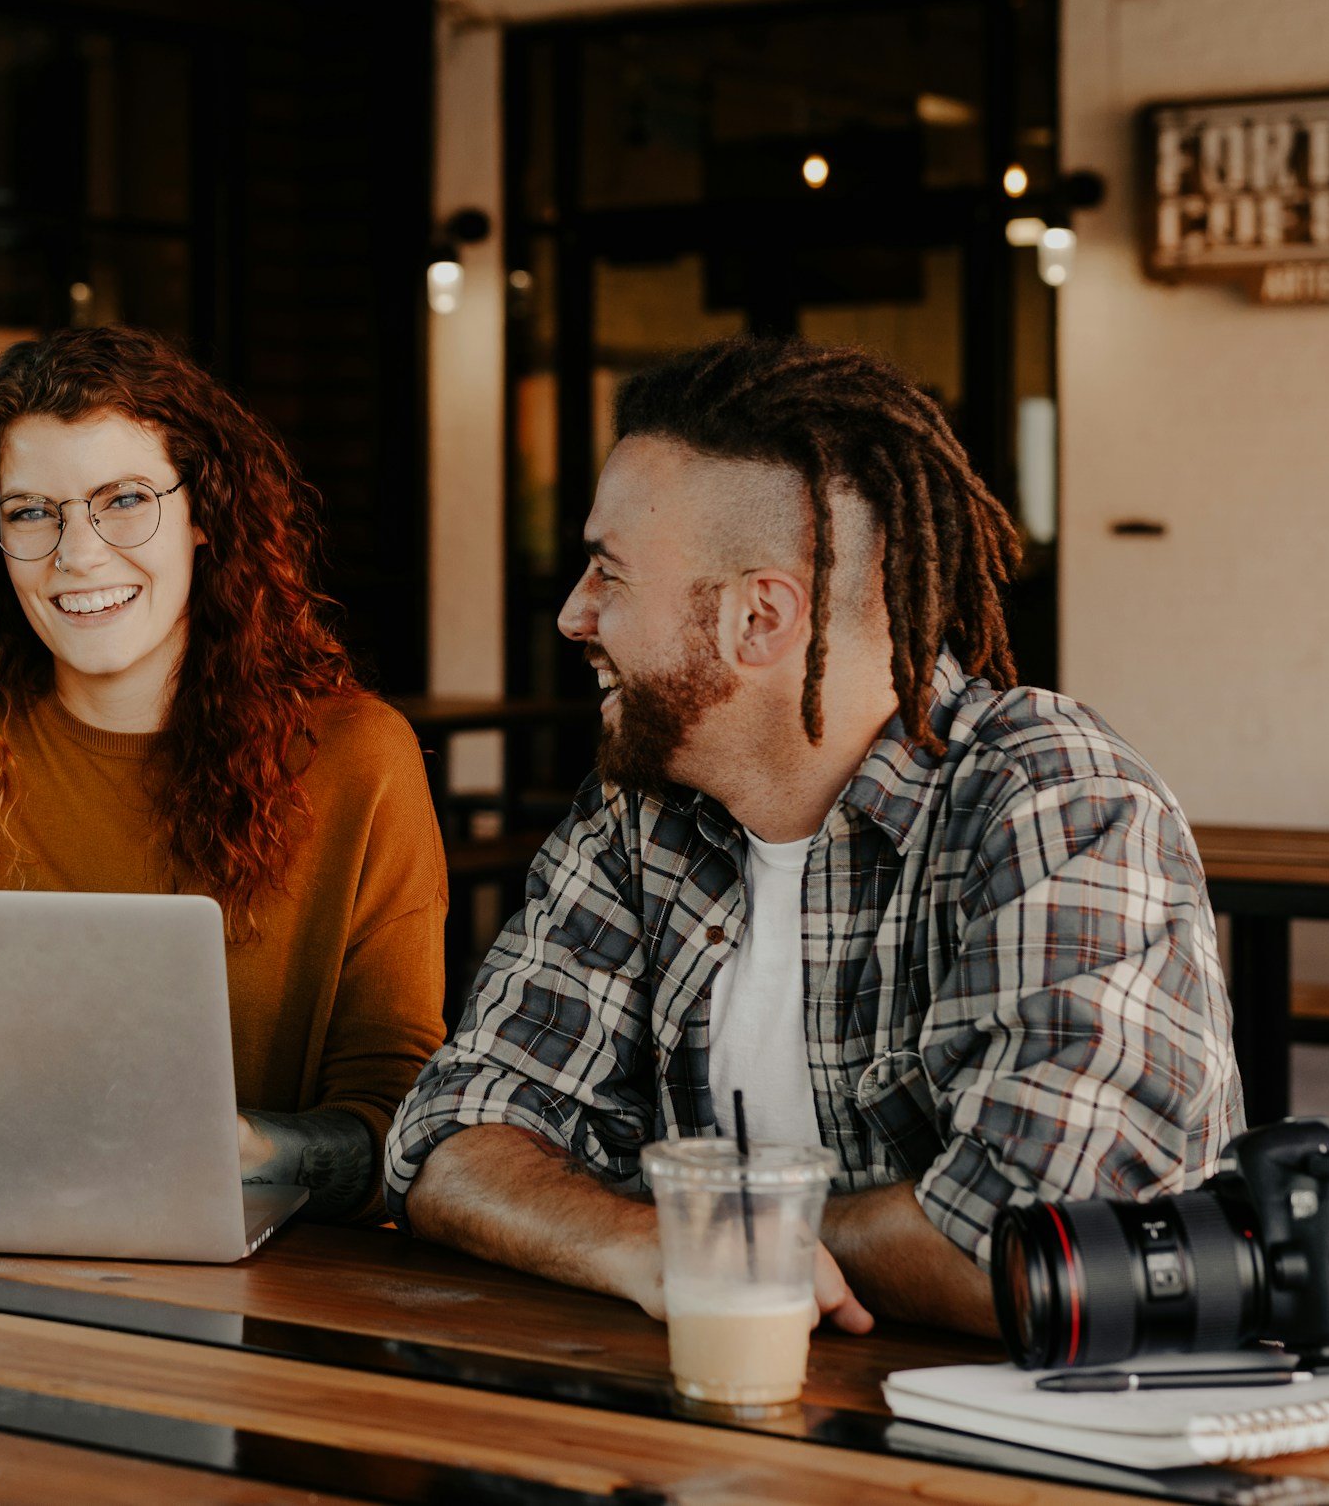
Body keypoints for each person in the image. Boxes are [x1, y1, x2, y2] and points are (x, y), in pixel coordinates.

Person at [383, 335, 1242, 1333]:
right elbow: (449, 1139)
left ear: (759, 617)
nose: (574, 613)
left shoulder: (1055, 800)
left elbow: (1039, 1241)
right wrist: (636, 1242)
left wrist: (711, 1240)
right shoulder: (639, 808)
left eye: (609, 573)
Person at [0, 324, 446, 1221]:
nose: (77, 552)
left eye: (123, 499)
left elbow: (397, 1118)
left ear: (204, 513)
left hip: (265, 1278)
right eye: (30, 511)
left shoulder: (359, 757)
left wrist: (244, 1150)